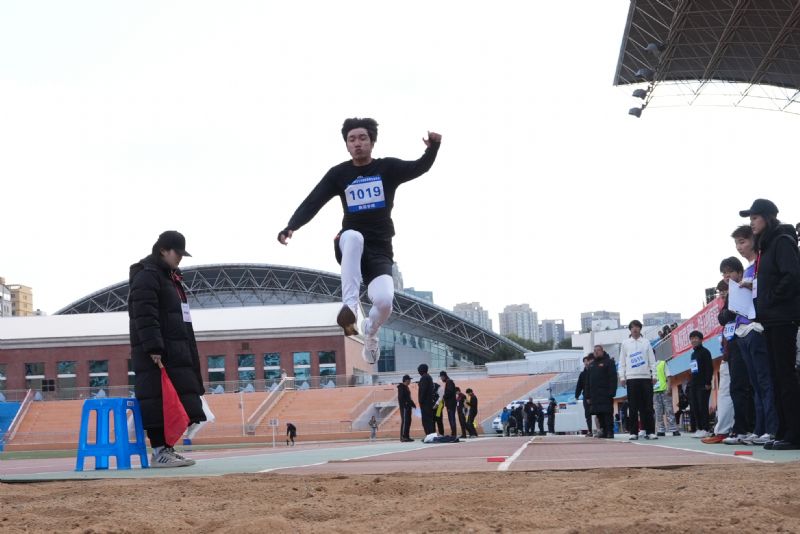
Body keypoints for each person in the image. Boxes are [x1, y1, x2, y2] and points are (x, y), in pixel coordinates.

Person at [277, 118, 442, 364]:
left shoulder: (387, 168)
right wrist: (292, 225)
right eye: (351, 139)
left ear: (372, 142)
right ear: (346, 145)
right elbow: (314, 200)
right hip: (349, 245)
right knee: (354, 236)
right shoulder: (339, 174)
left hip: (380, 249)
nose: (357, 143)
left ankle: (370, 333)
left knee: (385, 301)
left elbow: (419, 167)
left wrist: (433, 148)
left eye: (362, 138)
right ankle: (350, 308)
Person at [128, 230, 204, 468]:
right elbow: (144, 314)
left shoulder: (170, 278)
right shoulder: (147, 276)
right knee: (158, 400)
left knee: (175, 401)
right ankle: (159, 451)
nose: (180, 258)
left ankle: (167, 448)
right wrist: (154, 347)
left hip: (174, 351)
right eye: (177, 253)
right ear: (163, 250)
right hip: (157, 354)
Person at [741, 199, 800, 450]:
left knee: (785, 377)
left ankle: (795, 434)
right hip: (770, 320)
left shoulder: (782, 241)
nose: (752, 223)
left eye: (755, 217)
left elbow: (792, 275)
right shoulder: (765, 247)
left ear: (768, 217)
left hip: (784, 318)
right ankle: (784, 431)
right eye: (750, 218)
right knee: (776, 377)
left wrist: (771, 298)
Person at [726, 225, 778, 445]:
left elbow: (767, 290)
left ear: (754, 241)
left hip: (757, 327)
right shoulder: (748, 268)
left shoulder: (762, 264)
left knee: (765, 381)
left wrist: (752, 286)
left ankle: (772, 429)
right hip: (742, 329)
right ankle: (759, 429)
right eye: (737, 243)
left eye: (743, 241)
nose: (740, 247)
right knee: (755, 383)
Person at [717, 256, 757, 445]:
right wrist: (729, 311)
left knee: (747, 386)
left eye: (730, 272)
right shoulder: (730, 294)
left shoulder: (745, 288)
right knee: (737, 387)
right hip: (733, 345)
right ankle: (741, 428)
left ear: (740, 273)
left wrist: (731, 312)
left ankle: (748, 428)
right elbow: (722, 318)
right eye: (724, 273)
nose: (727, 276)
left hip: (748, 337)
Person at [619, 319, 657, 440]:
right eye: (632, 327)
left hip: (645, 378)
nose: (635, 329)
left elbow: (652, 360)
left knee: (648, 406)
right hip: (631, 378)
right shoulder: (625, 343)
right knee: (633, 407)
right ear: (630, 330)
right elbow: (622, 362)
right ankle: (633, 432)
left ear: (640, 329)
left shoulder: (646, 342)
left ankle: (650, 432)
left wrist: (654, 375)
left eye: (637, 327)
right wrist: (622, 377)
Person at [586, 345, 618, 439]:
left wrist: (612, 391)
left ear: (602, 351)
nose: (596, 352)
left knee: (607, 413)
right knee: (599, 414)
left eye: (598, 350)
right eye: (595, 351)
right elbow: (587, 382)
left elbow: (613, 378)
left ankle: (610, 431)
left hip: (606, 393)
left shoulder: (609, 362)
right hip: (595, 395)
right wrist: (588, 396)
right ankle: (603, 430)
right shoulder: (591, 365)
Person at [687, 330, 713, 438]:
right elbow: (694, 370)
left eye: (696, 338)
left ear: (701, 339)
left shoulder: (705, 352)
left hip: (703, 384)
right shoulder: (693, 354)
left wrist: (708, 382)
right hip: (694, 384)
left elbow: (709, 368)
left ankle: (706, 429)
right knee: (695, 407)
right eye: (692, 338)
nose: (693, 340)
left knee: (703, 406)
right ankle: (700, 428)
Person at [652, 358, 680, 437]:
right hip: (655, 392)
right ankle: (660, 430)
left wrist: (669, 388)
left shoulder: (662, 363)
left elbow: (668, 376)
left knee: (669, 410)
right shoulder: (648, 367)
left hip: (664, 390)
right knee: (658, 412)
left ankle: (673, 429)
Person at [575, 354, 594, 435]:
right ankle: (590, 430)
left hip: (595, 395)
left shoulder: (594, 371)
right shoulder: (582, 374)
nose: (586, 363)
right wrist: (577, 395)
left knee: (598, 413)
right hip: (586, 396)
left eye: (587, 361)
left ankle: (601, 429)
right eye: (585, 361)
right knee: (587, 414)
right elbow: (579, 385)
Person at [397, 374, 416, 442]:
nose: (410, 381)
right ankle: (403, 436)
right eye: (409, 380)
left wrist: (412, 404)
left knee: (408, 421)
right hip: (405, 407)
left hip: (408, 407)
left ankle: (407, 436)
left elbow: (408, 398)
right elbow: (401, 397)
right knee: (405, 421)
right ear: (406, 380)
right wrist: (405, 404)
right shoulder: (401, 387)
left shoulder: (406, 387)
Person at [417, 364, 435, 435]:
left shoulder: (424, 378)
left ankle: (429, 435)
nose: (418, 372)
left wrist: (420, 400)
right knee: (429, 420)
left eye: (419, 370)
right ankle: (431, 435)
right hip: (429, 402)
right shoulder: (429, 377)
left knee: (426, 420)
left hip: (425, 403)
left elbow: (423, 390)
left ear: (422, 370)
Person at [439, 371, 457, 436]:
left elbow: (449, 392)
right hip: (450, 404)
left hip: (450, 404)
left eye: (441, 377)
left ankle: (453, 434)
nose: (441, 379)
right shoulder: (449, 382)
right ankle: (453, 433)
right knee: (451, 418)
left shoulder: (449, 382)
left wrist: (443, 396)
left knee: (451, 418)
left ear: (443, 376)